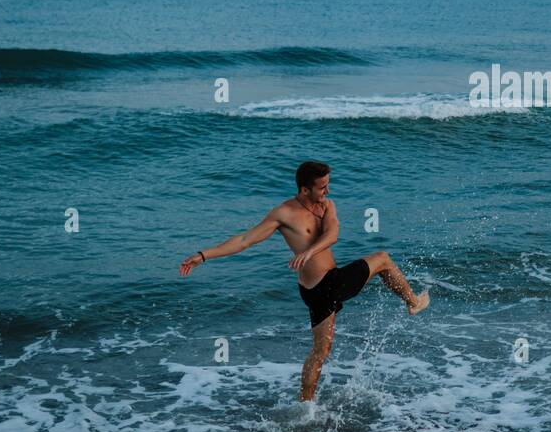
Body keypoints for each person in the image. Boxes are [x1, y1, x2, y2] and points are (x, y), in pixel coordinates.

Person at [179, 160, 429, 400]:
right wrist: (204, 255)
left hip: (327, 283)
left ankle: (306, 404)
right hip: (322, 287)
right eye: (322, 187)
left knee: (320, 352)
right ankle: (412, 302)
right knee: (383, 259)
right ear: (304, 189)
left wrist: (309, 251)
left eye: (328, 185)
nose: (327, 190)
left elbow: (332, 234)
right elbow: (244, 240)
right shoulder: (284, 213)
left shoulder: (327, 205)